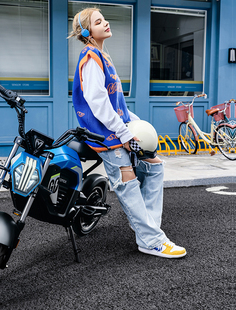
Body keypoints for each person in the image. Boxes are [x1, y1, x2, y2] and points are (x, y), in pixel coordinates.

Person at [69, 7, 186, 258]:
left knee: (154, 167)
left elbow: (116, 104)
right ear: (88, 31)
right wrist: (123, 134)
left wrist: (136, 123)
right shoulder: (91, 59)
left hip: (119, 129)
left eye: (105, 19)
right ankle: (151, 240)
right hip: (105, 135)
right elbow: (98, 104)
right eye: (99, 21)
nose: (106, 23)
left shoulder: (104, 56)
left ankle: (148, 229)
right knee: (128, 180)